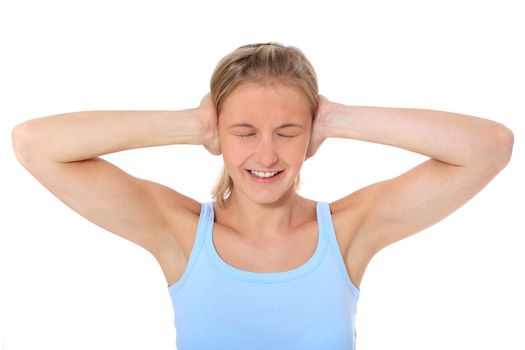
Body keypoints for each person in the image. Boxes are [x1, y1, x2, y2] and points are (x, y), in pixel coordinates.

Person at [11, 42, 514, 349]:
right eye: (245, 131)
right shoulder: (179, 231)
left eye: (288, 131)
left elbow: (489, 147)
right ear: (219, 134)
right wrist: (191, 124)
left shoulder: (348, 230)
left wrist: (336, 118)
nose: (267, 155)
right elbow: (33, 144)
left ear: (312, 135)